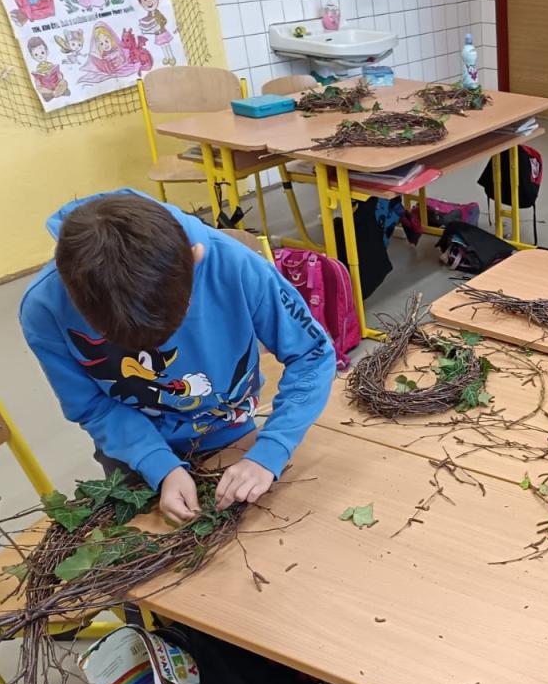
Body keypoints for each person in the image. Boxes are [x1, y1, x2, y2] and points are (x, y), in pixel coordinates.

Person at [20, 190, 335, 524]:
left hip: (231, 431)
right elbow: (92, 406)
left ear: (195, 258)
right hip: (134, 454)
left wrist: (270, 450)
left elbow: (312, 353)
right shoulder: (45, 308)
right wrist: (160, 466)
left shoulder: (232, 263)